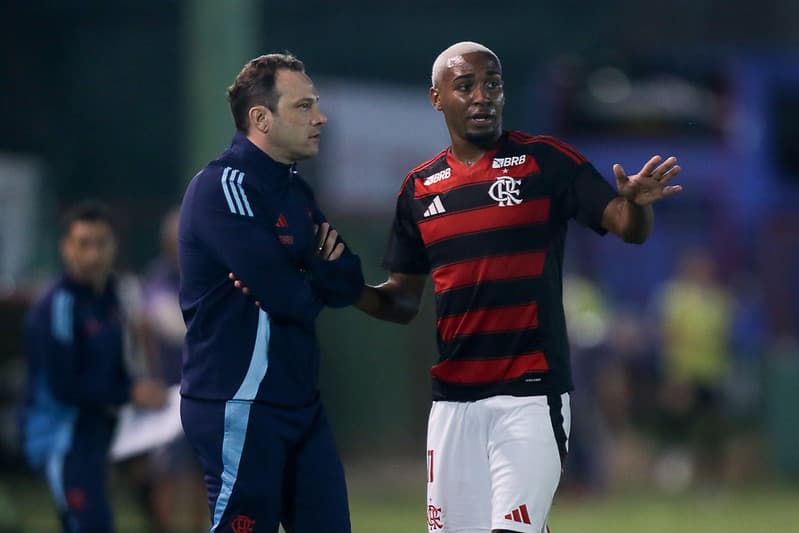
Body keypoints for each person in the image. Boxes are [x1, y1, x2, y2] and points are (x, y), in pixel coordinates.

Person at [356, 42, 682, 533]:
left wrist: (636, 203)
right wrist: (344, 288)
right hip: (453, 405)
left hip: (530, 396)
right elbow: (402, 300)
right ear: (437, 98)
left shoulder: (545, 163)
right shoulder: (419, 191)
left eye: (493, 84)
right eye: (466, 86)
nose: (483, 96)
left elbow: (625, 225)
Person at [177, 53, 364, 533]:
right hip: (240, 403)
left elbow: (348, 280)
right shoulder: (224, 187)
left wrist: (302, 273)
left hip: (301, 405)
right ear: (261, 118)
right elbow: (288, 298)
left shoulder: (296, 193)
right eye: (303, 107)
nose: (320, 118)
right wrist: (308, 270)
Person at [20, 201, 167, 532]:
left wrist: (138, 389)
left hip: (101, 431)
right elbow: (65, 387)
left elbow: (113, 367)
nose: (93, 254)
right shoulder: (56, 305)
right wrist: (130, 392)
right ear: (66, 248)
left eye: (101, 243)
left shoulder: (114, 296)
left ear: (114, 246)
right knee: (90, 523)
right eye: (83, 244)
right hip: (63, 439)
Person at [138, 207, 207, 532]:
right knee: (166, 473)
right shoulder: (157, 279)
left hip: (206, 390)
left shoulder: (209, 273)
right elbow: (163, 323)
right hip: (167, 393)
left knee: (204, 476)